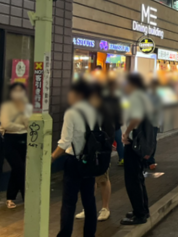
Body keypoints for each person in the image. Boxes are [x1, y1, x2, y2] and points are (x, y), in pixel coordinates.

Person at [53, 81, 99, 237]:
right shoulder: (94, 111)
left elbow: (65, 142)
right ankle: (89, 234)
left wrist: (51, 158)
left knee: (68, 203)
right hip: (91, 161)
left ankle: (65, 235)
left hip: (74, 161)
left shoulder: (71, 113)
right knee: (89, 201)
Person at [75, 83, 115, 221]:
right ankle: (88, 207)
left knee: (102, 178)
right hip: (86, 149)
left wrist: (106, 146)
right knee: (88, 179)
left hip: (100, 150)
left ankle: (105, 208)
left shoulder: (104, 109)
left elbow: (110, 130)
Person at [121, 73, 153, 225]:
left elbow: (136, 117)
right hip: (140, 145)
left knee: (132, 180)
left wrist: (126, 133)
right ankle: (142, 210)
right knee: (139, 178)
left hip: (133, 144)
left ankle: (139, 214)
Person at [0, 83, 32, 209]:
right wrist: (22, 127)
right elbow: (6, 125)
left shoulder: (27, 107)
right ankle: (24, 196)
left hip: (24, 139)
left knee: (19, 169)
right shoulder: (6, 107)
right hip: (10, 140)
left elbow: (29, 124)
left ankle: (10, 198)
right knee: (19, 168)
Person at [146, 78, 162, 170]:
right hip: (149, 122)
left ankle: (150, 160)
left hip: (153, 121)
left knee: (151, 141)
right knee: (150, 141)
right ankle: (149, 160)